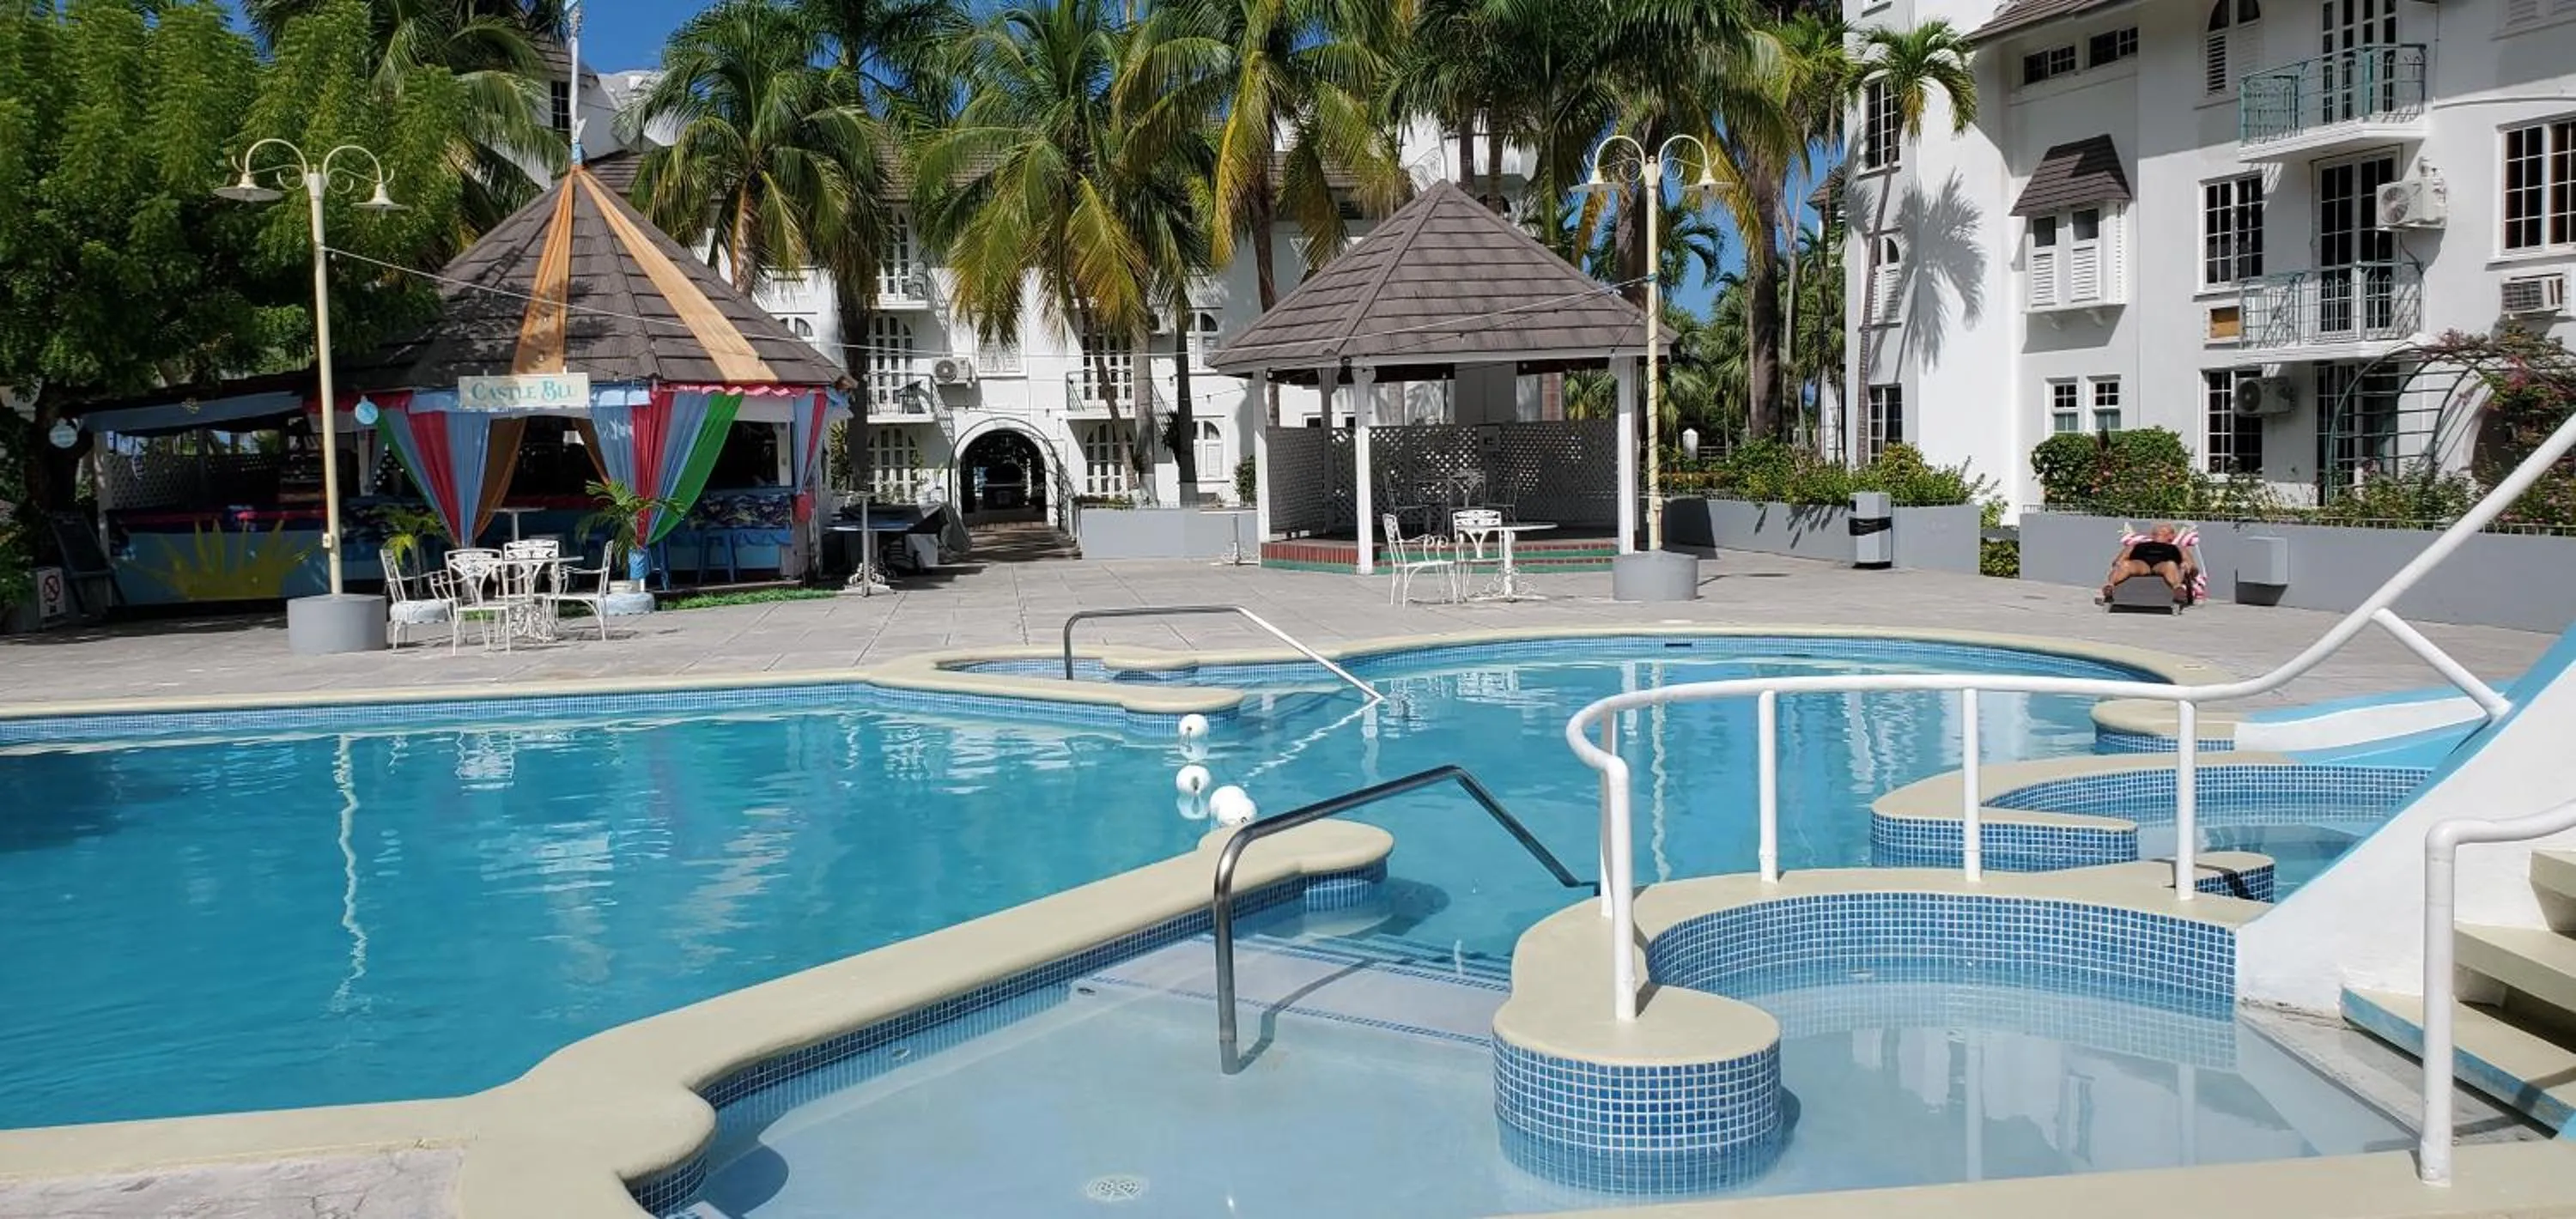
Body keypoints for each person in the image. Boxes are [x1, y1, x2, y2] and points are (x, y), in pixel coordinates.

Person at [2100, 522, 2193, 603]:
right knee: (2125, 564)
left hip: (2163, 566)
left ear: (2171, 536)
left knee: (2170, 565)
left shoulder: (2179, 548)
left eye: (2163, 532)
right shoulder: (2136, 546)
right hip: (2142, 564)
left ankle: (2178, 590)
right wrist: (2118, 563)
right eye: (2157, 532)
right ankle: (2110, 586)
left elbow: (2191, 566)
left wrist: (2186, 567)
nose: (2160, 533)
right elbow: (2117, 562)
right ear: (2152, 535)